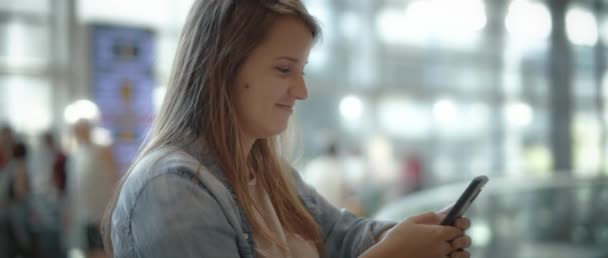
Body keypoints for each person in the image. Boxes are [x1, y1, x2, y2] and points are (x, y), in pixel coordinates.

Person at [102, 1, 472, 258]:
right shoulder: (170, 191)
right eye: (283, 70)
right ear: (222, 66)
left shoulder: (269, 174)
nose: (302, 91)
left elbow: (343, 237)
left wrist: (420, 233)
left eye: (302, 70)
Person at [67, 119, 117, 258]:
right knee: (89, 250)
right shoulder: (77, 153)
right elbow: (76, 186)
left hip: (101, 212)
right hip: (85, 213)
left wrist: (111, 207)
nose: (78, 133)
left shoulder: (102, 149)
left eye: (80, 129)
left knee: (102, 250)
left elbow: (113, 177)